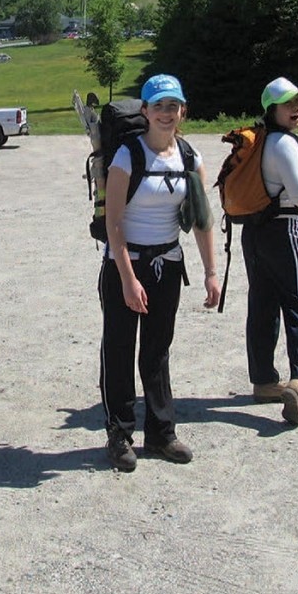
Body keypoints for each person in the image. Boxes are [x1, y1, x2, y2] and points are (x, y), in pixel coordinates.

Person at [100, 74, 221, 472]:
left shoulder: (189, 157)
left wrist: (210, 273)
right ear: (146, 111)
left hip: (167, 265)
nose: (167, 113)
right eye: (159, 106)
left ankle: (161, 433)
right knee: (119, 349)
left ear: (182, 110)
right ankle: (119, 434)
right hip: (125, 263)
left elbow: (202, 220)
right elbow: (113, 223)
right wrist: (128, 278)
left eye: (174, 106)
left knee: (157, 351)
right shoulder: (127, 156)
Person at [241, 76, 298, 427]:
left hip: (255, 231)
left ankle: (263, 381)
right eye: (288, 103)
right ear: (271, 109)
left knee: (262, 304)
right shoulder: (285, 144)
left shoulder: (260, 141)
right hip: (286, 230)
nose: (296, 108)